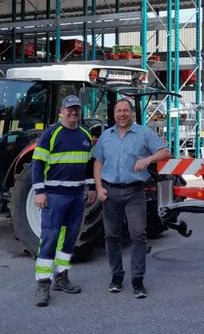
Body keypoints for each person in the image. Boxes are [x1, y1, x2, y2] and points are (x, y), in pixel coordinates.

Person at [92, 98, 171, 299]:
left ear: (132, 113)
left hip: (134, 192)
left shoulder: (144, 133)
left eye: (125, 111)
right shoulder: (106, 136)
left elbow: (165, 151)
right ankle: (116, 276)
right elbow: (98, 162)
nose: (122, 114)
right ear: (114, 114)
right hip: (110, 192)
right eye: (118, 111)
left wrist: (148, 159)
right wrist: (99, 187)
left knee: (138, 235)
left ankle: (137, 279)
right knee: (112, 236)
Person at [31, 95, 96, 307]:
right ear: (62, 110)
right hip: (54, 196)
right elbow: (37, 164)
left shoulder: (85, 135)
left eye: (77, 108)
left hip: (76, 196)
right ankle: (43, 283)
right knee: (49, 238)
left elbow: (88, 165)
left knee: (69, 239)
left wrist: (91, 187)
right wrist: (39, 191)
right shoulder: (50, 134)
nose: (73, 112)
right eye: (70, 108)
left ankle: (61, 276)